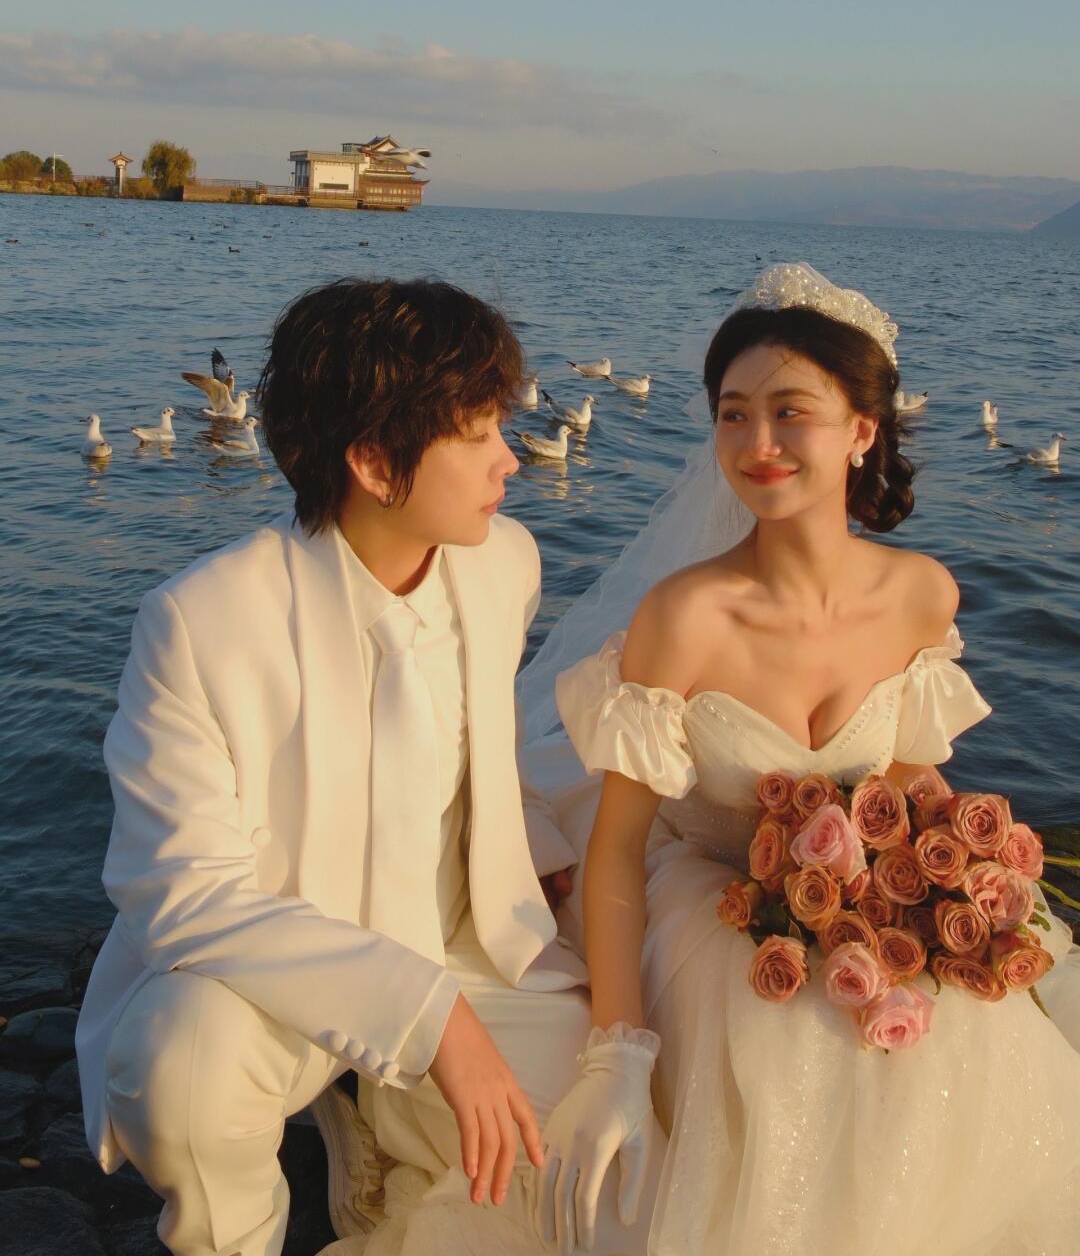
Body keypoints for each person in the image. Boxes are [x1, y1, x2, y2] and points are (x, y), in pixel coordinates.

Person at [75, 277, 662, 1256]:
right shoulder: (200, 624)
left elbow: (469, 748)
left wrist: (532, 847)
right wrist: (429, 1021)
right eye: (478, 434)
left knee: (600, 1147)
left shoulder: (505, 562)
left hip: (463, 941)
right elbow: (183, 896)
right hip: (280, 967)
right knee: (182, 1072)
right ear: (376, 463)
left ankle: (372, 1125)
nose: (510, 458)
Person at [524, 264, 1080, 1256]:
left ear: (862, 428)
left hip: (873, 901)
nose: (758, 444)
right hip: (714, 909)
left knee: (963, 1049)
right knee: (794, 1058)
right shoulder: (684, 617)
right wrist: (618, 1054)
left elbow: (906, 776)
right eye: (733, 414)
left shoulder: (921, 594)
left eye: (791, 412)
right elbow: (616, 848)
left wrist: (960, 871)